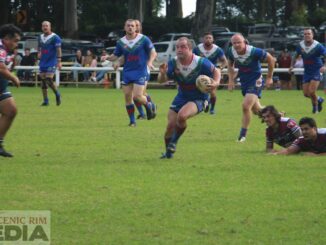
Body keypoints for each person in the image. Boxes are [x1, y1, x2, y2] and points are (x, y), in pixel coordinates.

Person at [158, 37, 221, 159]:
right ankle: (168, 154)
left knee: (182, 116)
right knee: (170, 126)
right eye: (177, 47)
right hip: (181, 96)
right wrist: (162, 73)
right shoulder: (173, 62)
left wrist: (216, 83)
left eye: (183, 47)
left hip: (199, 98)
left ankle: (174, 143)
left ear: (190, 49)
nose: (179, 49)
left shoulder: (201, 62)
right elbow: (161, 81)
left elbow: (216, 71)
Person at [227, 33, 275, 142]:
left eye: (239, 42)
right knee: (257, 111)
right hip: (244, 82)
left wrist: (269, 77)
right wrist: (231, 80)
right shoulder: (231, 51)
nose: (236, 45)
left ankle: (242, 135)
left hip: (256, 80)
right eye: (234, 43)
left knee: (245, 106)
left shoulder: (254, 51)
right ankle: (277, 115)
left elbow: (271, 59)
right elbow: (230, 64)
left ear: (244, 42)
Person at [108, 19, 157, 126]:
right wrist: (107, 58)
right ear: (125, 28)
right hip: (128, 72)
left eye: (132, 26)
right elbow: (116, 56)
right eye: (128, 26)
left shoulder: (144, 39)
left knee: (137, 97)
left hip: (140, 71)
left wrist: (149, 62)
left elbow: (153, 52)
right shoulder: (121, 42)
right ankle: (132, 121)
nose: (130, 27)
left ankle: (149, 105)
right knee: (127, 97)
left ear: (136, 27)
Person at [290, 28, 326, 114]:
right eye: (305, 34)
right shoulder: (300, 45)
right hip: (307, 71)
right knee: (306, 94)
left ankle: (315, 108)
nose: (307, 35)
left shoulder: (318, 46)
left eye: (309, 34)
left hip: (317, 70)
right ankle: (319, 99)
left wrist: (324, 66)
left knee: (311, 91)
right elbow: (295, 56)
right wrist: (291, 66)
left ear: (312, 35)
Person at [0, 24, 22, 157]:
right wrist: (13, 78)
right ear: (7, 38)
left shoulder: (6, 50)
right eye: (16, 41)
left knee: (11, 110)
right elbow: (1, 68)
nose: (17, 44)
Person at [193, 32, 227, 114]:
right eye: (206, 38)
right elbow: (191, 58)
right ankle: (202, 104)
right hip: (200, 73)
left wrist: (220, 68)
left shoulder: (217, 49)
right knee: (199, 91)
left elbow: (225, 61)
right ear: (203, 39)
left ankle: (212, 109)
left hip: (212, 73)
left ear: (213, 39)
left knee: (212, 92)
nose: (208, 39)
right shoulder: (197, 49)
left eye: (210, 38)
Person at [38, 21, 62, 106]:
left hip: (51, 61)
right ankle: (46, 101)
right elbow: (40, 47)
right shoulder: (40, 37)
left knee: (49, 79)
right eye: (43, 26)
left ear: (50, 27)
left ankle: (57, 94)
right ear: (41, 27)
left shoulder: (55, 37)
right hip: (43, 62)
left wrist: (59, 61)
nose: (45, 27)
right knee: (43, 81)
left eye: (46, 26)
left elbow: (59, 50)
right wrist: (39, 53)